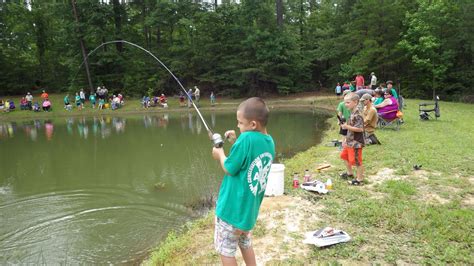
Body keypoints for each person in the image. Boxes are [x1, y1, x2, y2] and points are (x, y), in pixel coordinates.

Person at [211, 97, 275, 266]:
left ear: (253, 124)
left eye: (240, 123)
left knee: (226, 250)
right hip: (248, 212)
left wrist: (220, 155)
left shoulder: (245, 140)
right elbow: (248, 157)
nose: (238, 126)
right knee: (245, 243)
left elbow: (230, 168)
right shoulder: (269, 141)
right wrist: (235, 140)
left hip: (231, 210)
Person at [340, 92, 365, 185]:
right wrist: (345, 138)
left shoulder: (358, 114)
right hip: (349, 140)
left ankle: (359, 179)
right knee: (344, 156)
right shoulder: (352, 113)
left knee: (357, 161)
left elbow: (360, 129)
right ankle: (349, 173)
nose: (345, 104)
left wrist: (346, 127)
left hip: (356, 142)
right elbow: (351, 127)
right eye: (345, 102)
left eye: (347, 102)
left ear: (355, 102)